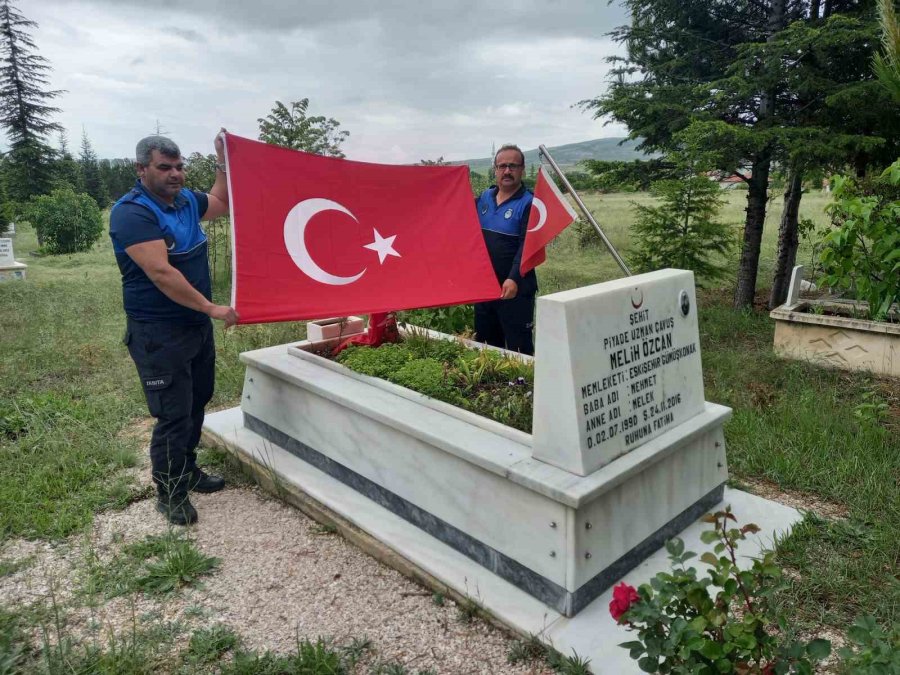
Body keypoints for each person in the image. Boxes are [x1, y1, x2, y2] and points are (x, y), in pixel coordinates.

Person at [109, 131, 236, 525]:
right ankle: (170, 492)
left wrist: (222, 160)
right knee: (173, 414)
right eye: (165, 168)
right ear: (141, 168)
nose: (176, 174)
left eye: (179, 167)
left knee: (198, 400)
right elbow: (162, 273)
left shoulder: (183, 202)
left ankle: (188, 470)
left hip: (194, 326)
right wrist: (211, 307)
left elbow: (221, 203)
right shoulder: (133, 213)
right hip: (158, 333)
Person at [473, 144, 536, 355]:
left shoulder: (530, 203)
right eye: (502, 166)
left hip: (515, 289)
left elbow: (527, 245)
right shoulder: (483, 198)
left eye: (512, 166)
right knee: (486, 349)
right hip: (483, 288)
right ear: (495, 170)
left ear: (522, 169)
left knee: (520, 349)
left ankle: (526, 388)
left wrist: (513, 278)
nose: (507, 171)